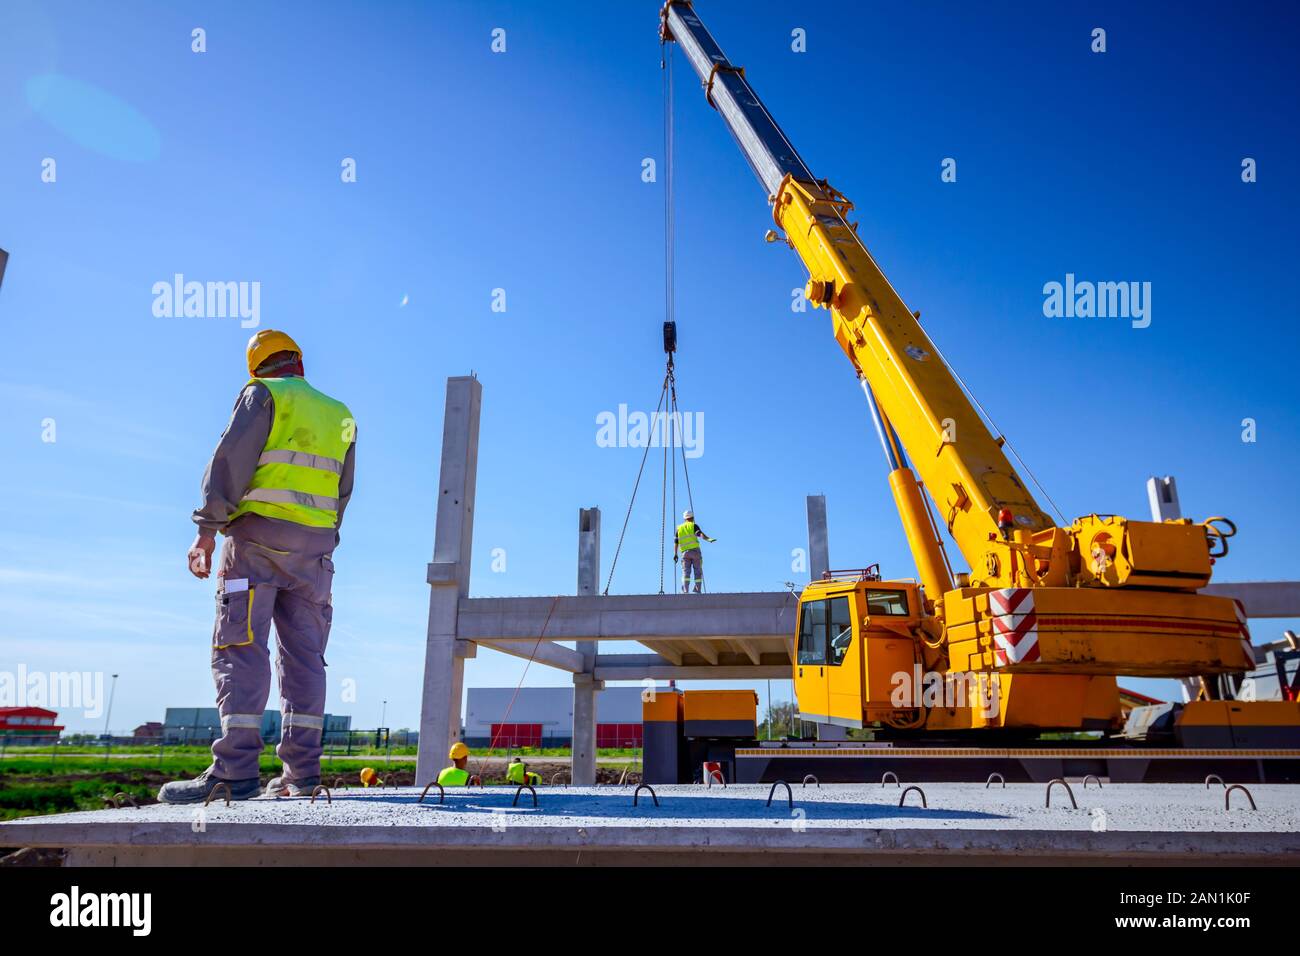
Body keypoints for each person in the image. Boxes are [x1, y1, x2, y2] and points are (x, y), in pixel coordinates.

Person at [158, 330, 356, 803]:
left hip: (257, 540)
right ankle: (303, 774)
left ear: (258, 367)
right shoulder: (341, 413)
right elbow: (342, 489)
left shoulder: (261, 394)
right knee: (305, 657)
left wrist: (207, 529)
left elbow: (229, 460)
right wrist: (323, 540)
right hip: (315, 550)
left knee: (241, 645)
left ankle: (234, 771)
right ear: (299, 363)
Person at [673, 509, 716, 594]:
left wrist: (675, 554)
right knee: (697, 571)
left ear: (684, 518)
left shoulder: (679, 529)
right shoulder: (693, 525)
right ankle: (697, 590)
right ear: (692, 517)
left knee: (686, 571)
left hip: (685, 553)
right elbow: (700, 534)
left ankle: (685, 590)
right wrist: (708, 539)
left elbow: (676, 543)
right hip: (695, 552)